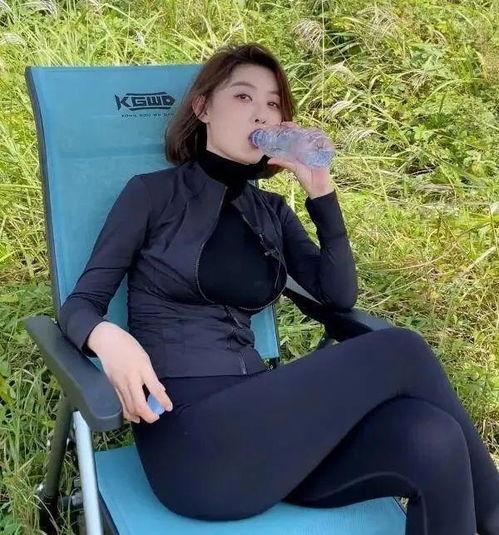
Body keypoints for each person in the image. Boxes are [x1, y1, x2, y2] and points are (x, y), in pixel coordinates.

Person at [57, 42, 499, 534]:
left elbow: (338, 296)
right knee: (400, 348)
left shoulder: (270, 211)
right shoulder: (152, 195)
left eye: (272, 103)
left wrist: (320, 190)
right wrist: (108, 338)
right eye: (243, 97)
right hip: (196, 444)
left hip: (270, 437)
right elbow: (81, 304)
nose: (261, 113)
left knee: (432, 438)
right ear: (203, 109)